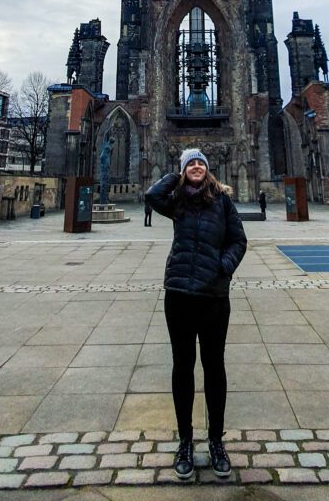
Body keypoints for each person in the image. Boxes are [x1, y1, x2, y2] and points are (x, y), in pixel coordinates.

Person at [145, 148, 247, 481]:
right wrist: (178, 171)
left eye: (201, 163)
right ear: (183, 170)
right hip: (179, 296)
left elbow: (238, 241)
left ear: (210, 169)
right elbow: (151, 195)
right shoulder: (177, 202)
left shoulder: (223, 202)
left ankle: (216, 441)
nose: (197, 167)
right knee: (183, 367)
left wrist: (224, 267)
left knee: (214, 368)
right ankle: (185, 441)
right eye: (191, 164)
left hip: (214, 297)